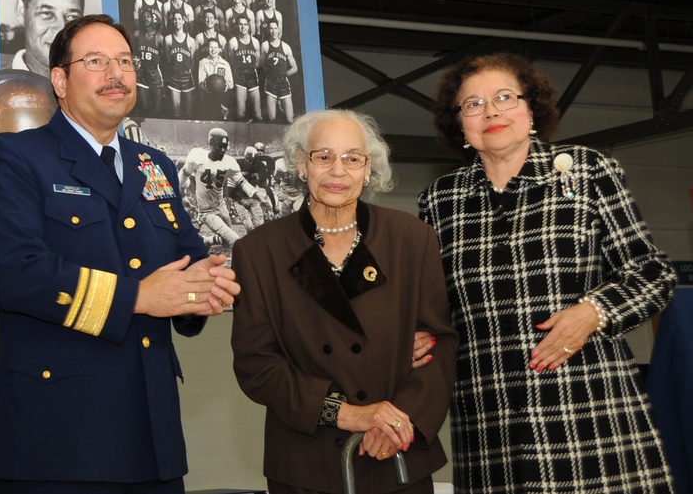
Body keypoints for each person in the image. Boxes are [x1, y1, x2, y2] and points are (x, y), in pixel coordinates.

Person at [0, 14, 241, 494]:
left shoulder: (154, 164)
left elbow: (187, 258)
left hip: (153, 433)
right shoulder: (15, 157)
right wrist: (140, 297)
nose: (116, 75)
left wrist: (204, 290)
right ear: (59, 79)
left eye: (124, 62)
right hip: (62, 438)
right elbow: (19, 275)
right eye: (96, 62)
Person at [418, 51, 677, 493]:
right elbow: (434, 304)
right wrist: (420, 333)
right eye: (473, 104)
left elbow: (653, 273)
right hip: (489, 415)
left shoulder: (589, 169)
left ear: (531, 107)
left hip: (588, 408)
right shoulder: (439, 200)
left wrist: (593, 311)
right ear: (458, 124)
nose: (491, 111)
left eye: (504, 97)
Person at [231, 108, 457, 494]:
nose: (338, 171)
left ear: (368, 169)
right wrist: (347, 414)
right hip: (307, 465)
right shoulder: (258, 251)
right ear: (302, 165)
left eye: (353, 158)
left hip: (397, 458)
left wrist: (398, 422)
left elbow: (439, 343)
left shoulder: (411, 238)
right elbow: (257, 364)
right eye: (324, 157)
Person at [180, 127, 263, 253]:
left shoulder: (229, 162)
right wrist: (176, 187)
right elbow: (184, 174)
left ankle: (207, 241)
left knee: (225, 241)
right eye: (220, 146)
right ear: (211, 144)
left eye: (225, 147)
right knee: (235, 240)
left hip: (221, 206)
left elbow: (241, 182)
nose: (223, 150)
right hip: (206, 211)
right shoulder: (198, 156)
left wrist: (257, 194)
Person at [9, 0, 84, 76]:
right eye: (47, 14)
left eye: (71, 17)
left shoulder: (94, 88)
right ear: (22, 12)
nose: (61, 29)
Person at [260, 19, 298, 123]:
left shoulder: (285, 47)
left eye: (275, 28)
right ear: (268, 30)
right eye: (271, 28)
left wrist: (284, 75)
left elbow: (295, 68)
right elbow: (261, 64)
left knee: (290, 119)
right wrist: (268, 73)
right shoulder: (265, 45)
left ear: (278, 30)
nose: (273, 31)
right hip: (270, 83)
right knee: (271, 117)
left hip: (283, 83)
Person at [225, 14, 262, 121]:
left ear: (249, 25)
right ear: (236, 26)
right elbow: (231, 62)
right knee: (240, 113)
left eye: (245, 24)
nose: (243, 27)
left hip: (252, 74)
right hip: (239, 74)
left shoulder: (255, 42)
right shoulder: (232, 42)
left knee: (258, 113)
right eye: (240, 24)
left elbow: (257, 62)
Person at [132, 6, 165, 117]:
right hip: (141, 72)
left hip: (154, 71)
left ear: (153, 19)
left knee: (158, 108)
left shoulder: (159, 37)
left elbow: (164, 56)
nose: (146, 18)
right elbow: (133, 50)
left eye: (148, 16)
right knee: (144, 107)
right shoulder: (137, 34)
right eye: (144, 17)